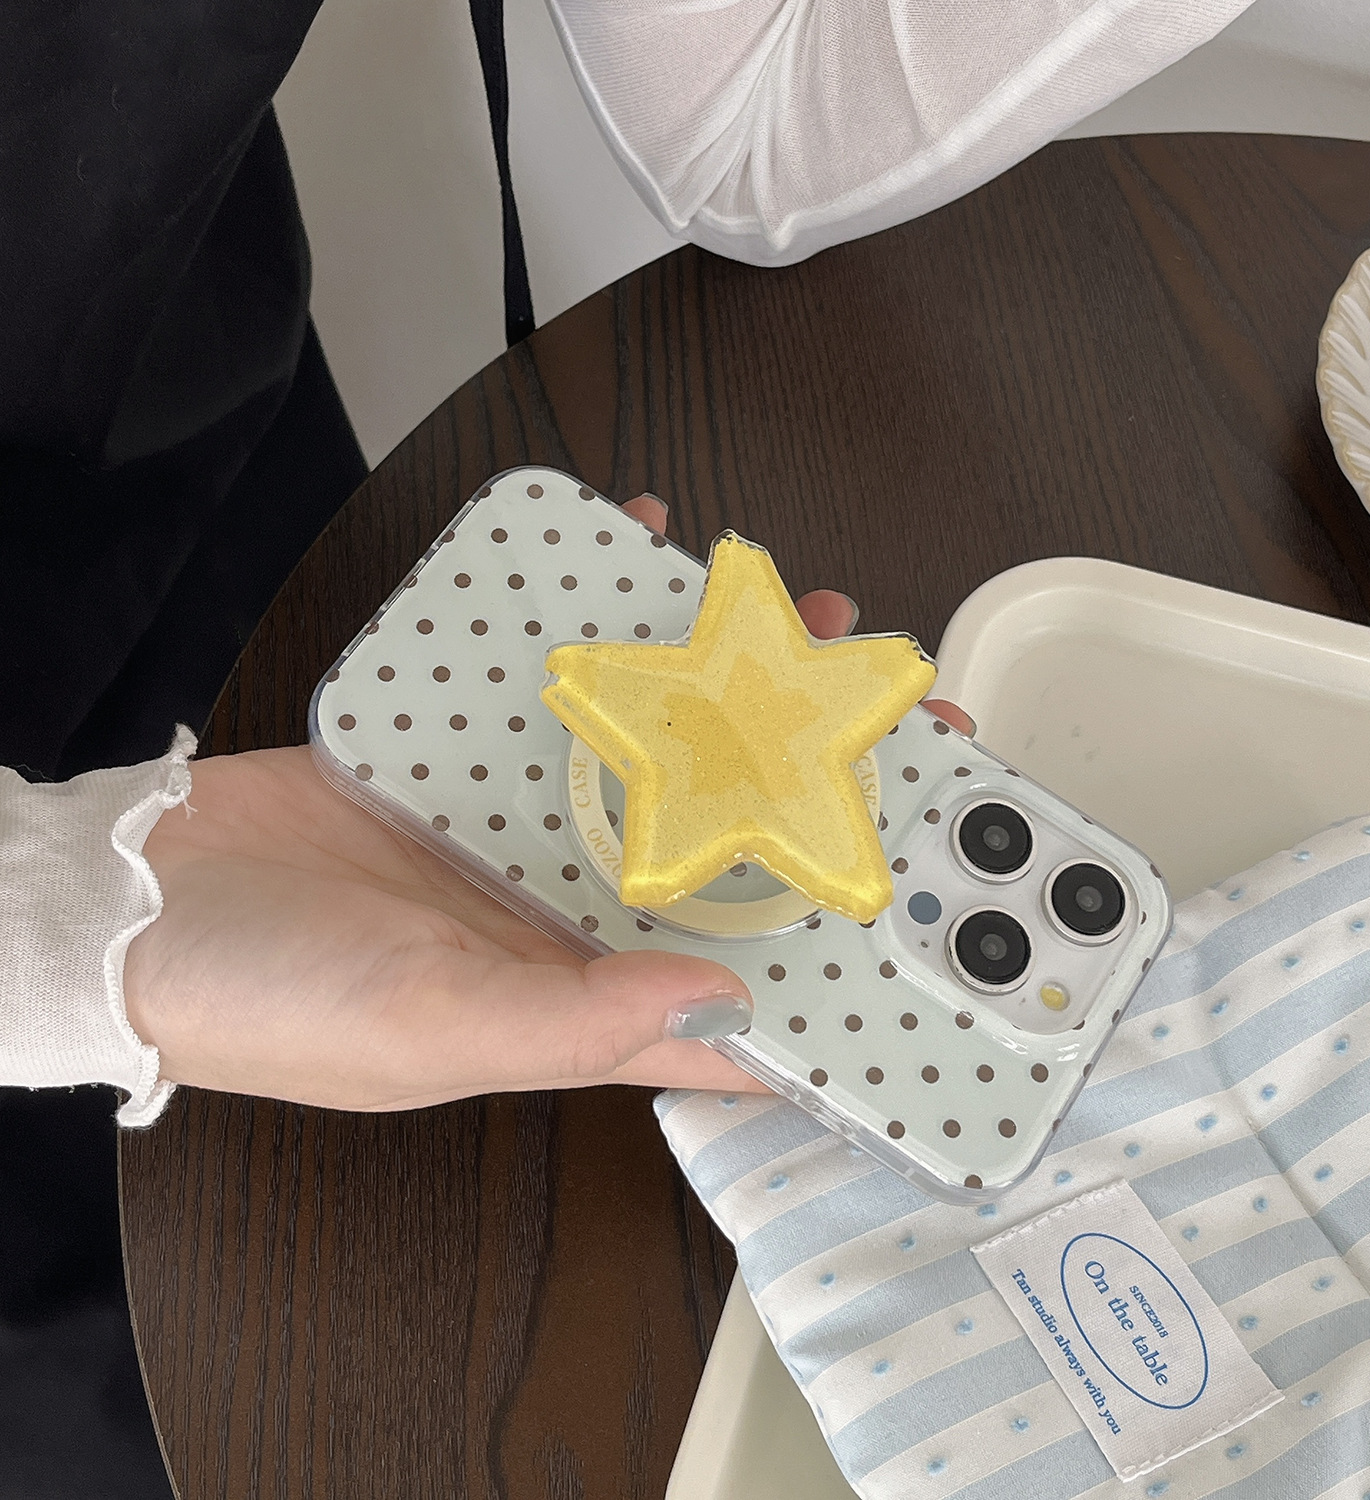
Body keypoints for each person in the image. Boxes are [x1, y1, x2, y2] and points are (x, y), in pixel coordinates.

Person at [0, 0, 1251, 1490]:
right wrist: (65, 929)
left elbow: (749, 132)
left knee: (342, 1253)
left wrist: (112, 896)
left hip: (171, 431)